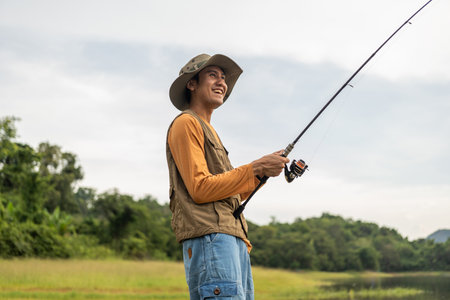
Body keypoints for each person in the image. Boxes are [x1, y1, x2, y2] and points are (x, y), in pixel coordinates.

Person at [166, 53, 289, 299]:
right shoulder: (186, 123)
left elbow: (228, 193)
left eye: (223, 78)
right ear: (192, 84)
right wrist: (254, 167)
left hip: (231, 239)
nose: (221, 82)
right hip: (211, 238)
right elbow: (200, 189)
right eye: (212, 75)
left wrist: (261, 173)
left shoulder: (209, 130)